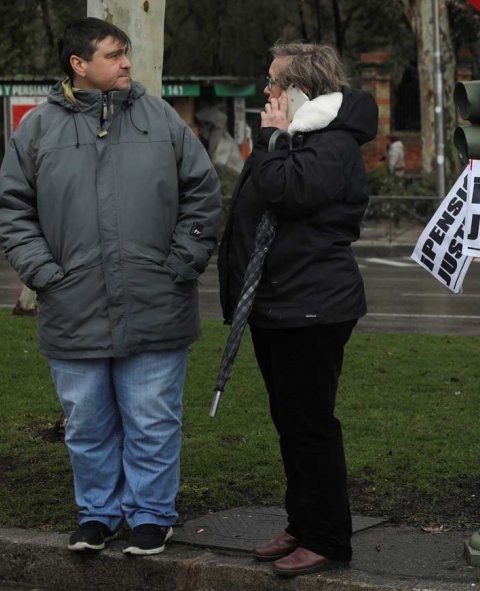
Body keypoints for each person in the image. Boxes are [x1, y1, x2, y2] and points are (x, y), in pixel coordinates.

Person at [0, 18, 221, 555]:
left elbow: (203, 194)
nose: (127, 63)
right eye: (114, 54)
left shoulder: (160, 118)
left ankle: (150, 515)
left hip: (155, 303)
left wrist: (180, 263)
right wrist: (46, 275)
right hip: (72, 306)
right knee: (88, 426)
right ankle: (97, 513)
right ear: (79, 65)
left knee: (152, 421)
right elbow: (14, 211)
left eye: (127, 54)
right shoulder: (36, 129)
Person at [217, 42, 377, 577]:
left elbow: (285, 191)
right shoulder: (301, 138)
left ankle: (328, 536)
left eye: (273, 82)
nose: (266, 92)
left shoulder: (332, 144)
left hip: (312, 306)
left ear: (300, 89)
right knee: (289, 423)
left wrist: (268, 140)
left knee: (310, 426)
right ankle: (302, 523)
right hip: (280, 303)